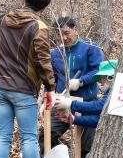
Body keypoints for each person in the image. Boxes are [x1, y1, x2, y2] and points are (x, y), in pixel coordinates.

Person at [0, 0, 55, 158]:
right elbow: (43, 61)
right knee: (28, 138)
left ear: (22, 0)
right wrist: (50, 88)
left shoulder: (6, 20)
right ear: (43, 9)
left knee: (2, 136)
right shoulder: (39, 27)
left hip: (0, 85)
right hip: (24, 89)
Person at [45, 16, 104, 149]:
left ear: (75, 29)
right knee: (47, 135)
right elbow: (51, 79)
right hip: (62, 102)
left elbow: (98, 71)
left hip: (86, 103)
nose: (64, 38)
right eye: (60, 35)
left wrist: (81, 81)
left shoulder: (90, 48)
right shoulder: (55, 54)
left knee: (86, 146)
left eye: (66, 33)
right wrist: (47, 98)